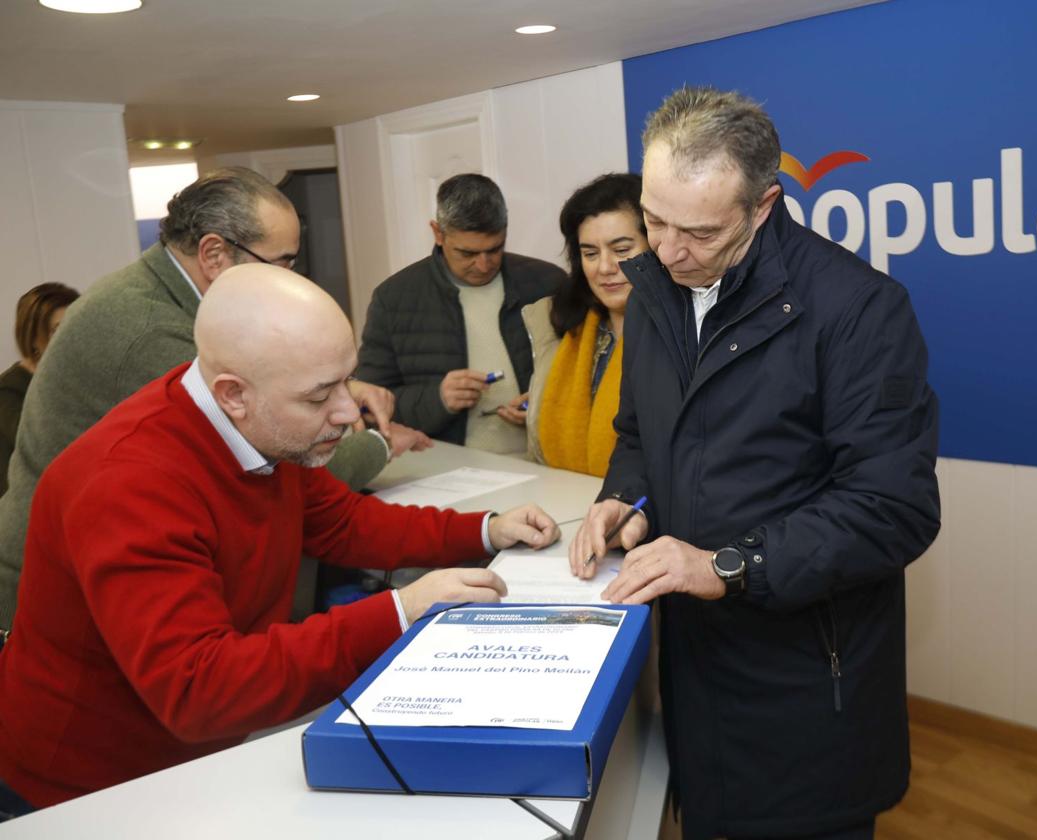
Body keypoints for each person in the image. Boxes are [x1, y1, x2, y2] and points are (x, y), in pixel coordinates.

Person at [0, 265, 561, 813]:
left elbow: (342, 523)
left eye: (347, 379)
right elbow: (199, 688)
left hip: (192, 756)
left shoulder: (264, 425)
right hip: (83, 792)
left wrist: (483, 529)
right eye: (319, 397)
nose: (346, 413)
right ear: (233, 394)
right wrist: (400, 611)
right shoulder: (128, 485)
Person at [569, 88, 941, 839]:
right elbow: (639, 432)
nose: (667, 251)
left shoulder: (859, 310)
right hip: (695, 669)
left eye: (698, 232)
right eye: (654, 220)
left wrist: (727, 565)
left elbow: (892, 509)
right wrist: (624, 497)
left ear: (763, 205)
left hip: (804, 686)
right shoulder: (653, 293)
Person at [0, 167, 423, 635]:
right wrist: (383, 443)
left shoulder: (150, 292)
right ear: (215, 254)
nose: (289, 278)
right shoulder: (151, 334)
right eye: (281, 263)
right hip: (53, 605)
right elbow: (295, 458)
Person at [357, 173, 566, 455]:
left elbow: (586, 376)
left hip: (545, 462)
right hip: (447, 471)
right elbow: (369, 405)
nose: (483, 265)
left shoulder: (548, 283)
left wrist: (543, 403)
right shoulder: (393, 298)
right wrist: (437, 398)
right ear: (438, 234)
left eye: (495, 249)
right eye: (467, 253)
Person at [522, 173, 648, 476]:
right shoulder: (562, 330)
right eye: (590, 253)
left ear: (656, 246)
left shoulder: (686, 334)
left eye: (621, 250)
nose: (605, 268)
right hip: (562, 504)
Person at [0, 283, 80, 496]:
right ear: (33, 337)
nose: (69, 335)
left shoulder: (76, 377)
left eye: (73, 324)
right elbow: (38, 446)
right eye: (56, 329)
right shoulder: (8, 390)